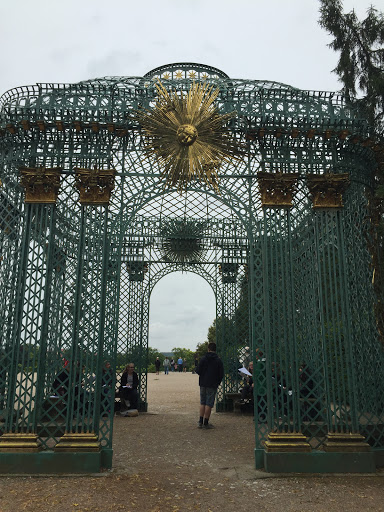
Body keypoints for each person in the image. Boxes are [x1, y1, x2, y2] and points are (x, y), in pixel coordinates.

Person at [196, 342, 224, 429]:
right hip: (212, 383)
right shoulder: (218, 360)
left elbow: (198, 371)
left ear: (208, 349)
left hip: (203, 383)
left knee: (202, 402)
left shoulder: (203, 359)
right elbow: (221, 374)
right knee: (209, 403)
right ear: (215, 350)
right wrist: (217, 382)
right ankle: (206, 422)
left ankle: (200, 421)